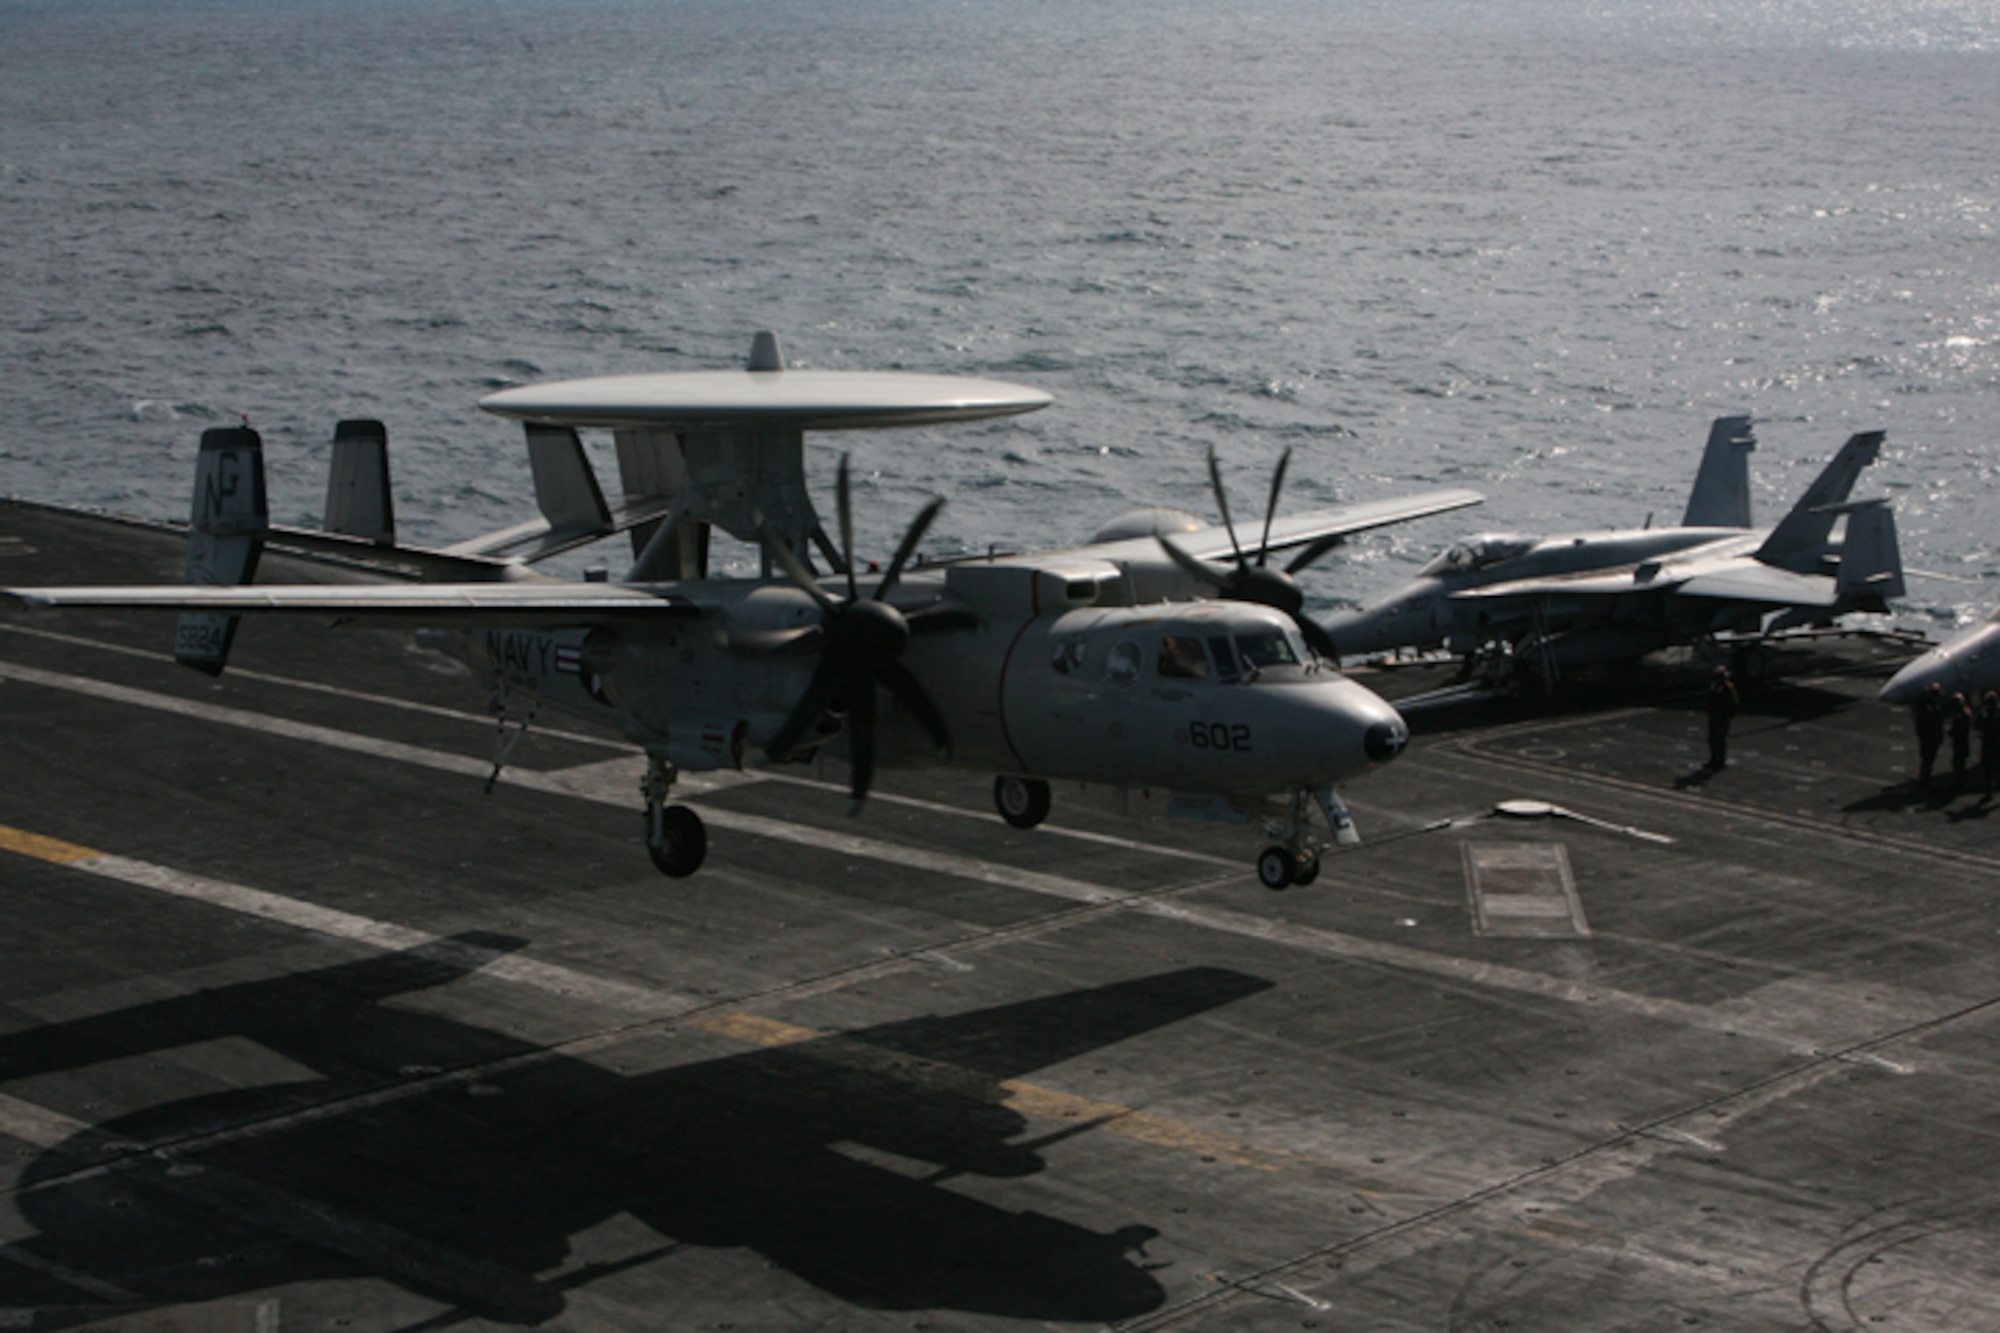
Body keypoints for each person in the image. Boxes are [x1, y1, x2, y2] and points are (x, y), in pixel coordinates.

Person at [1913, 680, 1947, 791]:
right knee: (1927, 761)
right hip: (1929, 738)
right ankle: (1924, 782)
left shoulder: (1930, 706)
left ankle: (1925, 781)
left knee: (1928, 761)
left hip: (1931, 738)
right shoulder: (1927, 708)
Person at [1705, 664, 1738, 769]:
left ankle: (1720, 761)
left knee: (1719, 739)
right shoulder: (1714, 686)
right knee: (1713, 738)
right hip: (1714, 716)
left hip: (1722, 716)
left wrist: (1728, 714)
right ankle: (1714, 758)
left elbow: (1732, 702)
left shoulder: (1727, 687)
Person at [1949, 691, 1974, 791]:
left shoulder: (1962, 716)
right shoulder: (1964, 714)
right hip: (1962, 744)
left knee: (1959, 765)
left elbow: (1959, 731)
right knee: (1959, 765)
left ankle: (1959, 784)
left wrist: (1952, 732)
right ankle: (1959, 783)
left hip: (1960, 744)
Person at [1981, 690, 2000, 797]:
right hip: (1990, 745)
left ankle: (1990, 789)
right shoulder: (1987, 714)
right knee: (1989, 769)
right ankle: (1989, 789)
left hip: (1992, 745)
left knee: (1991, 769)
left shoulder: (1988, 715)